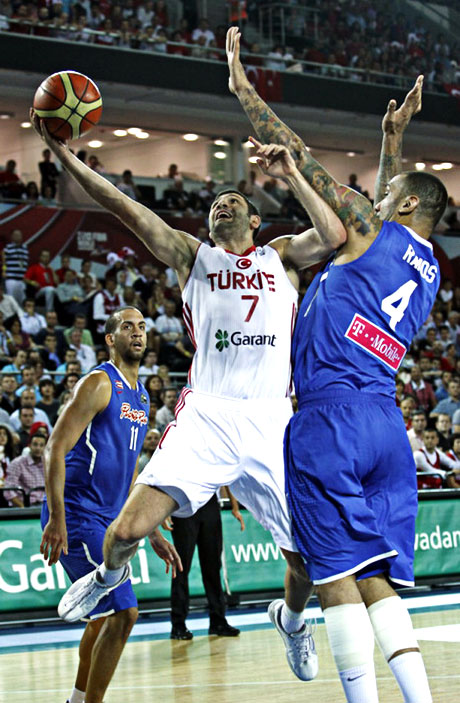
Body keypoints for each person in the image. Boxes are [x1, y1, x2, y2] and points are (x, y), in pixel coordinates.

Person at [31, 93, 347, 682]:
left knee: (307, 561)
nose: (222, 206)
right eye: (216, 204)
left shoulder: (280, 257)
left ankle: (292, 620)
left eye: (235, 201)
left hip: (271, 421)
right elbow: (123, 206)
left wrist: (290, 172)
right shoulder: (192, 256)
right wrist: (64, 156)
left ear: (256, 220)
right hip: (207, 416)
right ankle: (105, 578)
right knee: (124, 533)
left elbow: (332, 233)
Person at [226, 27, 442, 702]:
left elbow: (295, 152)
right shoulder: (429, 265)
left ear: (406, 204)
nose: (374, 196)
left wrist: (243, 90)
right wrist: (392, 142)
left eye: (387, 189)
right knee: (377, 577)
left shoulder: (368, 227)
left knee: (337, 577)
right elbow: (378, 221)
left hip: (329, 419)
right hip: (387, 425)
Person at [39, 306, 182, 703]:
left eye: (142, 327)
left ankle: (76, 700)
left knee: (101, 620)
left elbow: (130, 468)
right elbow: (54, 448)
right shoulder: (99, 383)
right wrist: (58, 518)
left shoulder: (142, 396)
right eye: (127, 327)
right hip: (78, 513)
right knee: (124, 613)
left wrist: (150, 528)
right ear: (110, 338)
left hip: (109, 520)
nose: (137, 333)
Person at [169, 489, 244, 640]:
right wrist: (165, 512)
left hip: (209, 502)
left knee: (213, 566)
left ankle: (218, 621)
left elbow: (226, 475)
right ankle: (178, 624)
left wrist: (235, 506)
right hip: (183, 503)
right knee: (181, 566)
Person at [4, 432, 47, 507]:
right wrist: (23, 508)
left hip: (45, 505)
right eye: (35, 444)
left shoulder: (48, 464)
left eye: (41, 445)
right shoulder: (17, 463)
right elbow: (8, 491)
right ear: (29, 445)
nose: (38, 448)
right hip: (25, 505)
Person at [2, 229, 29, 305]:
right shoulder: (7, 248)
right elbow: (4, 262)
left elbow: (26, 263)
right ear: (12, 237)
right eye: (16, 235)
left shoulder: (25, 248)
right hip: (11, 278)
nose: (18, 237)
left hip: (22, 279)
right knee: (11, 300)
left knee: (22, 302)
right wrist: (4, 270)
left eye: (19, 235)